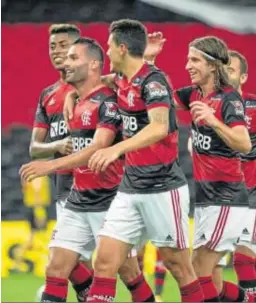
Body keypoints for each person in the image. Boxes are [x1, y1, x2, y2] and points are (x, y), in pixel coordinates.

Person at [20, 37, 155, 303]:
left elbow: (96, 148)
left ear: (93, 64)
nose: (65, 63)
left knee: (129, 274)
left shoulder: (109, 103)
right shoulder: (77, 101)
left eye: (73, 58)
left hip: (110, 201)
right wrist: (71, 95)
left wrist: (50, 165)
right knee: (56, 268)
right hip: (78, 200)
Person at [84, 19, 203, 302]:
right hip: (130, 188)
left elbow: (160, 126)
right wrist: (69, 95)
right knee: (104, 263)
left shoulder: (154, 81)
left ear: (122, 48)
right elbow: (92, 84)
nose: (106, 51)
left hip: (162, 188)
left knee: (179, 267)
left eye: (110, 45)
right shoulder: (122, 79)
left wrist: (116, 149)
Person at [174, 36, 253, 302]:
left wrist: (213, 121)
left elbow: (243, 143)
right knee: (213, 282)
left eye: (194, 60)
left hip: (226, 199)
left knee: (197, 270)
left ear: (212, 65)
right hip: (207, 201)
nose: (187, 65)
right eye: (188, 59)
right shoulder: (194, 93)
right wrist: (148, 60)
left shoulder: (229, 100)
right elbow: (158, 102)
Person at [30, 24, 95, 302]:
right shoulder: (47, 96)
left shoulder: (97, 87)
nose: (57, 51)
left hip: (98, 187)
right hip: (65, 187)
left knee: (106, 266)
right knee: (65, 263)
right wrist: (56, 146)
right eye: (53, 46)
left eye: (64, 45)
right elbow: (35, 148)